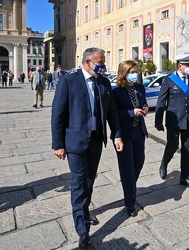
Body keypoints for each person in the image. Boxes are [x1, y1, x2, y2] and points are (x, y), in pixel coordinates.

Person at [51, 47, 123, 249]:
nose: (103, 66)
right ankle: (83, 231)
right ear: (87, 62)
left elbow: (111, 111)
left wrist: (116, 134)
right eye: (100, 62)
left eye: (103, 62)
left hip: (95, 140)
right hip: (75, 142)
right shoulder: (68, 81)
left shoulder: (104, 83)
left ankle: (84, 212)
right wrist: (58, 144)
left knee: (90, 180)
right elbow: (58, 114)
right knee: (79, 183)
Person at [154, 52, 189, 190]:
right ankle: (164, 163)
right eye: (188, 65)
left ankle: (185, 177)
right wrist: (158, 121)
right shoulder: (169, 79)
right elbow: (161, 101)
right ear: (180, 66)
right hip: (174, 120)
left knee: (187, 149)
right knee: (173, 145)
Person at [112, 60, 149, 217]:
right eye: (132, 72)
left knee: (139, 163)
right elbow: (114, 115)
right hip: (124, 135)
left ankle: (129, 187)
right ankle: (130, 203)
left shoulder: (140, 88)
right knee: (127, 169)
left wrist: (145, 108)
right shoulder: (116, 92)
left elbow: (144, 102)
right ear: (124, 73)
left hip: (139, 132)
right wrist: (131, 112)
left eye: (136, 71)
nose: (135, 74)